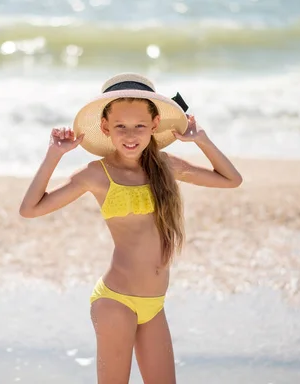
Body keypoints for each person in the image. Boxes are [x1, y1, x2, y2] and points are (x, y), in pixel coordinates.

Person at [19, 73, 242, 384]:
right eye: (120, 126)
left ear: (154, 126)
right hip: (116, 301)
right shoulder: (96, 174)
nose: (130, 134)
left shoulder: (165, 166)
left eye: (139, 125)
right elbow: (30, 209)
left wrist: (201, 139)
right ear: (106, 128)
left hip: (154, 304)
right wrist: (54, 155)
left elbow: (231, 180)